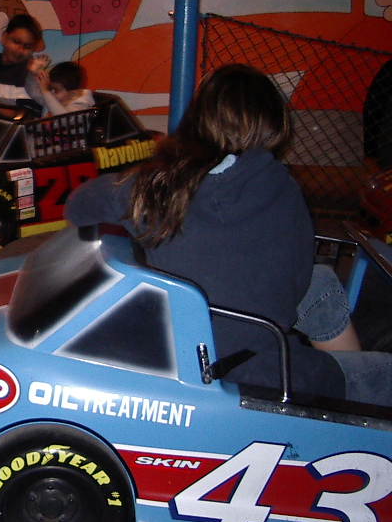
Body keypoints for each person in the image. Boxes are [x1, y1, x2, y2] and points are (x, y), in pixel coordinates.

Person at [64, 63, 392, 407]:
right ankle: (344, 404)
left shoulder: (153, 185)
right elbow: (293, 285)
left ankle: (339, 383)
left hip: (186, 345)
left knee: (320, 281)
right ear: (270, 123)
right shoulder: (283, 186)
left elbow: (78, 205)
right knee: (381, 372)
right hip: (254, 366)